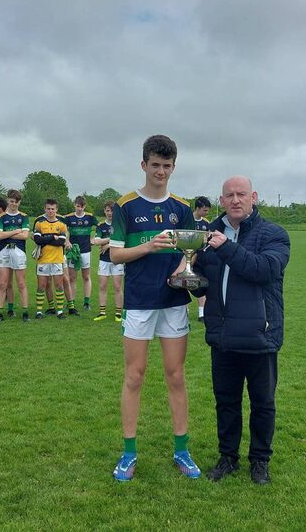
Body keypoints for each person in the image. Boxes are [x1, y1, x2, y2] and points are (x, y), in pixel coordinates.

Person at [109, 135, 200, 481]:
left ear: (174, 167)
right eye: (155, 165)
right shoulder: (126, 205)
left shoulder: (182, 207)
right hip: (139, 302)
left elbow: (190, 252)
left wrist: (181, 269)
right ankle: (129, 453)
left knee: (176, 376)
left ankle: (182, 450)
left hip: (173, 302)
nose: (160, 171)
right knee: (134, 376)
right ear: (143, 165)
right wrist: (149, 246)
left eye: (167, 166)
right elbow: (115, 254)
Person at [192, 175, 290, 485]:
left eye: (241, 194)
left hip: (260, 334)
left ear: (253, 197)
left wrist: (226, 248)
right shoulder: (208, 235)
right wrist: (188, 279)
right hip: (223, 336)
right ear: (221, 201)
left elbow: (264, 270)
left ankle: (260, 460)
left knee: (263, 404)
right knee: (226, 402)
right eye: (229, 195)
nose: (235, 200)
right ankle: (228, 458)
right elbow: (204, 282)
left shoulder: (274, 234)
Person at [0, 189, 31, 322]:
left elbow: (25, 236)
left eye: (16, 202)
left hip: (19, 251)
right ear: (7, 200)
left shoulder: (24, 217)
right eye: (11, 201)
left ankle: (25, 312)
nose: (13, 204)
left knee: (21, 283)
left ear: (19, 202)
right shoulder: (1, 217)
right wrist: (16, 231)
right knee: (2, 283)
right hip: (4, 251)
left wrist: (7, 234)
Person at [33, 199, 68, 319]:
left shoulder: (62, 224)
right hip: (43, 259)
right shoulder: (39, 223)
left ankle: (60, 311)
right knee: (41, 286)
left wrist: (45, 239)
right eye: (48, 208)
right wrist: (53, 237)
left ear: (56, 209)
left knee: (59, 286)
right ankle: (39, 312)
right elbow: (37, 240)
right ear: (45, 209)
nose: (50, 211)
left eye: (53, 209)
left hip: (57, 259)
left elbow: (61, 242)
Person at [91, 200, 123, 322]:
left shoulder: (120, 224)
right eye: (108, 210)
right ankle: (102, 313)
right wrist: (112, 240)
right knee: (102, 286)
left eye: (112, 211)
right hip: (104, 260)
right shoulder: (101, 226)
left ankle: (118, 313)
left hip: (118, 260)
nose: (110, 213)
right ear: (104, 211)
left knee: (117, 286)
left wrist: (109, 244)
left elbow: (124, 241)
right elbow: (96, 241)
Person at [64, 196, 97, 312]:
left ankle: (86, 302)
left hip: (86, 250)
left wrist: (94, 238)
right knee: (72, 278)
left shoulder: (90, 217)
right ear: (74, 205)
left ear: (85, 206)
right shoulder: (68, 218)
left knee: (86, 276)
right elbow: (64, 230)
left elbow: (100, 228)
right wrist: (67, 241)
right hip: (73, 251)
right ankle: (71, 302)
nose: (79, 208)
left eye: (82, 206)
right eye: (78, 206)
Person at [193, 196, 211, 321]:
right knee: (183, 284)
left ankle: (201, 314)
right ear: (197, 208)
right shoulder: (187, 220)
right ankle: (184, 311)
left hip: (200, 258)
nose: (206, 213)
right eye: (205, 210)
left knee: (200, 283)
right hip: (185, 257)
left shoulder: (206, 223)